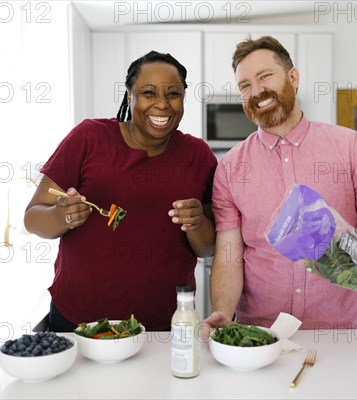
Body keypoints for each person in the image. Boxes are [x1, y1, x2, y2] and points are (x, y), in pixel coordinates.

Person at [202, 36, 357, 331]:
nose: (256, 91)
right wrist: (222, 311)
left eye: (265, 76)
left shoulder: (348, 146)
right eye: (245, 86)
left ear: (293, 77)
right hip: (261, 333)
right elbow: (229, 255)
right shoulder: (230, 168)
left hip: (340, 330)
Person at [24, 51, 217, 332]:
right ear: (130, 97)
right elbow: (32, 218)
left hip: (161, 326)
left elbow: (208, 247)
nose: (162, 104)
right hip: (79, 319)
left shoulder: (198, 156)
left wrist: (197, 223)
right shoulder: (88, 138)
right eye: (148, 92)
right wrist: (61, 215)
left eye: (173, 94)